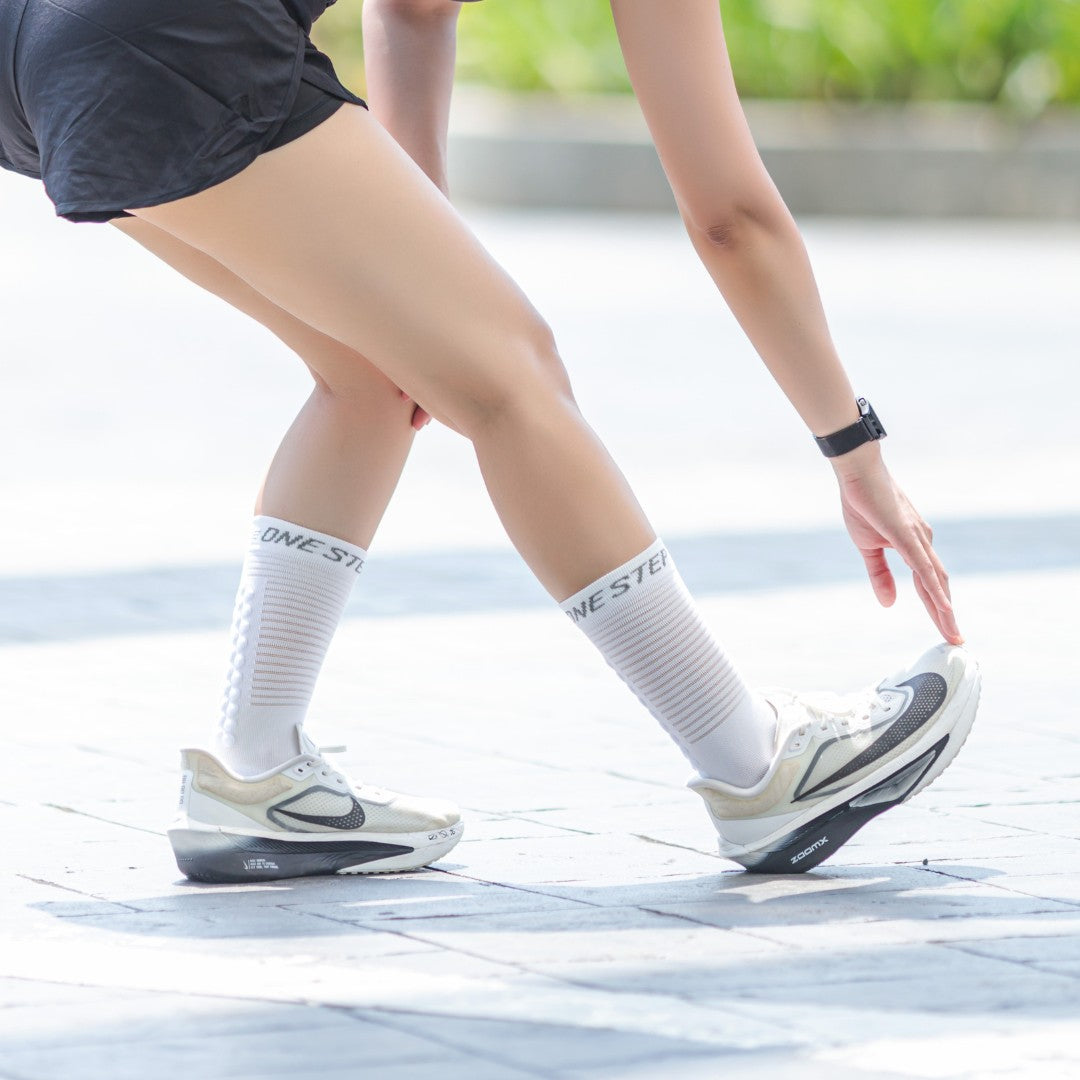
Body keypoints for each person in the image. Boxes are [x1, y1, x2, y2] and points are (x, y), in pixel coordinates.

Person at [0, 0, 980, 883]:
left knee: (372, 372)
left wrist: (418, 316)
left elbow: (416, 9)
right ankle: (757, 765)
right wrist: (854, 446)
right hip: (170, 44)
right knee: (519, 379)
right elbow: (730, 217)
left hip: (36, 52)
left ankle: (253, 773)